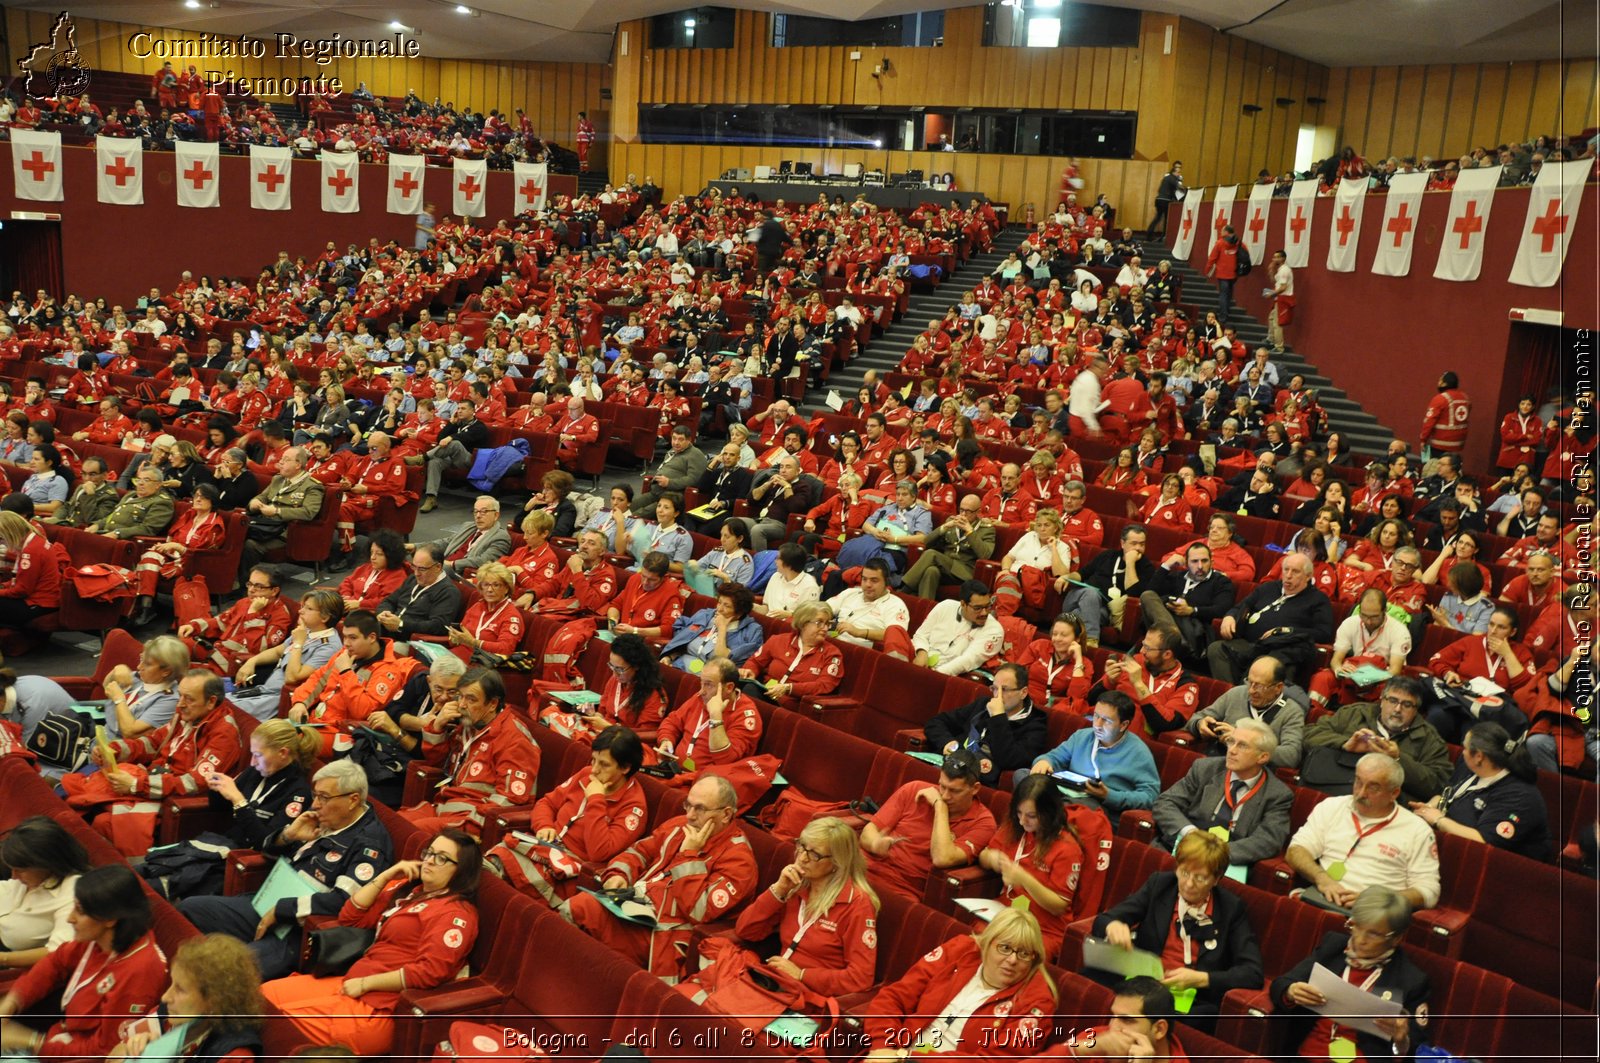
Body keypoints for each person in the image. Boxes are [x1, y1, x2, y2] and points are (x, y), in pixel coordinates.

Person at [263, 829, 481, 1057]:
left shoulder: (456, 914)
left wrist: (366, 984)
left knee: (272, 1024)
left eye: (441, 858)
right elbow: (350, 916)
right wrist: (387, 876)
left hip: (380, 1006)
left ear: (461, 871)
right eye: (429, 853)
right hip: (353, 981)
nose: (429, 861)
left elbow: (430, 972)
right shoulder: (412, 891)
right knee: (263, 996)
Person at [179, 760, 395, 980]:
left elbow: (344, 902)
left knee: (227, 975)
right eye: (315, 795)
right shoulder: (323, 819)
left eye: (324, 797)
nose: (316, 804)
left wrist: (283, 909)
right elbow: (265, 848)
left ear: (353, 800)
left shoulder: (369, 845)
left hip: (296, 931)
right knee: (189, 910)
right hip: (266, 902)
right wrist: (288, 836)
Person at [563, 774, 758, 981]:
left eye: (699, 809)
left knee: (586, 930)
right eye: (688, 805)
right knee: (574, 909)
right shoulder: (679, 824)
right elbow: (640, 851)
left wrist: (688, 856)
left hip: (663, 934)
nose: (690, 815)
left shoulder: (740, 861)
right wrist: (618, 874)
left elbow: (700, 912)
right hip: (632, 906)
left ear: (726, 815)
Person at [61, 669, 246, 857]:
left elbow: (194, 783)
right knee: (77, 791)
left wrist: (135, 786)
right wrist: (115, 750)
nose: (180, 704)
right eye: (180, 695)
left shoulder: (224, 734)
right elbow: (152, 743)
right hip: (151, 782)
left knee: (101, 819)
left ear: (211, 702)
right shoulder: (187, 714)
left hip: (172, 798)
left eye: (188, 698)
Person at [695, 817, 880, 999]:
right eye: (801, 846)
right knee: (696, 994)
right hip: (776, 983)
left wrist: (802, 974)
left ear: (837, 863)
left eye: (814, 854)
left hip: (809, 996)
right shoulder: (797, 884)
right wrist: (778, 890)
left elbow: (860, 979)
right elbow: (746, 930)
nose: (802, 858)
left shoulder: (857, 904)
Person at [140, 719, 320, 902]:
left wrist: (239, 801)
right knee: (143, 870)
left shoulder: (298, 793)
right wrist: (216, 786)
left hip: (237, 862)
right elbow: (218, 808)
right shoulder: (255, 772)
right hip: (217, 848)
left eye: (258, 755)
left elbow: (265, 843)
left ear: (283, 753)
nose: (252, 762)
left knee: (149, 890)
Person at [1092, 832, 1264, 1022]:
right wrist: (1113, 926)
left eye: (1200, 878)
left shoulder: (1231, 909)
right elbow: (1104, 920)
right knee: (1089, 983)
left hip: (1189, 998)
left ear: (1216, 879)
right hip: (1142, 981)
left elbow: (1252, 973)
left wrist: (1200, 979)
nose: (1189, 884)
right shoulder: (1160, 885)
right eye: (1184, 873)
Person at [0, 865, 166, 1058]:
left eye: (79, 911)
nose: (70, 919)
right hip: (57, 1037)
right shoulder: (101, 938)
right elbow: (56, 962)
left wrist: (31, 1041)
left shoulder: (140, 972)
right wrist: (12, 1001)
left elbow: (105, 1050)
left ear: (109, 919)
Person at [860, 907, 1058, 1060]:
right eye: (1005, 948)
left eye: (1024, 953)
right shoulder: (960, 950)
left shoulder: (1037, 1002)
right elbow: (895, 997)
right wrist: (881, 1047)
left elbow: (993, 1061)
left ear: (1034, 958)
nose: (1013, 960)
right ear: (986, 944)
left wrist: (909, 1058)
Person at [486, 726, 649, 906]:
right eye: (593, 760)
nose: (594, 769)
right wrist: (544, 826)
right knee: (493, 862)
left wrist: (596, 799)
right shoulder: (586, 773)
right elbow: (546, 803)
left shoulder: (634, 807)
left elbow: (599, 852)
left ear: (625, 768)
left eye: (604, 764)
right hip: (544, 847)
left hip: (571, 869)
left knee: (499, 881)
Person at [1270, 887, 1430, 1061]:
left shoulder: (1411, 980)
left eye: (1373, 934)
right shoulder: (1333, 947)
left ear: (1396, 938)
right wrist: (1291, 991)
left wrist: (1401, 1040)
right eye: (1356, 926)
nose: (1360, 939)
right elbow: (1281, 984)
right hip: (1305, 1054)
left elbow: (1415, 1051)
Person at [1284, 752, 1440, 912]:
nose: (1361, 793)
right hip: (1322, 896)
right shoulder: (1332, 807)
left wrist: (1376, 900)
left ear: (1394, 793)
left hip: (1376, 913)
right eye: (1358, 782)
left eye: (1373, 787)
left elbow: (1429, 892)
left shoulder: (1417, 830)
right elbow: (1296, 850)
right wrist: (1321, 878)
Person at [1152, 718, 1294, 865]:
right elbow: (1165, 803)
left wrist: (1215, 852)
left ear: (1262, 757)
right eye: (1231, 742)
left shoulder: (1277, 794)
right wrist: (1190, 833)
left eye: (1243, 746)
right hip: (1182, 846)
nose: (1232, 750)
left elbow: (1268, 841)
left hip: (1227, 861)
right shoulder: (1205, 768)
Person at [861, 750, 997, 901]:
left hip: (903, 890)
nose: (945, 796)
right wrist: (875, 844)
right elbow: (868, 832)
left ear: (975, 788)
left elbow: (942, 858)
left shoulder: (983, 823)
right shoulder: (913, 789)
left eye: (954, 791)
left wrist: (940, 808)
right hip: (864, 870)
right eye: (942, 786)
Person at [106, 934, 265, 1062]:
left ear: (214, 1000)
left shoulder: (233, 1055)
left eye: (180, 990)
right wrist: (132, 1050)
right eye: (172, 984)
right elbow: (113, 1057)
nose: (165, 997)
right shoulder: (171, 1015)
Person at [1409, 721, 1552, 861]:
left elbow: (1483, 842)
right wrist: (1430, 807)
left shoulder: (1519, 796)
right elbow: (1447, 793)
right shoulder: (1470, 766)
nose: (1462, 751)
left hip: (1498, 868)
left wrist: (1438, 819)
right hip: (1452, 847)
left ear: (1479, 756)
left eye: (1465, 747)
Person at [287, 610, 421, 756]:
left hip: (345, 733)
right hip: (317, 722)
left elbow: (363, 712)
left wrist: (345, 672)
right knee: (267, 734)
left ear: (371, 638)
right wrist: (300, 702)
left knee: (284, 744)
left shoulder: (388, 671)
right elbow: (317, 679)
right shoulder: (345, 653)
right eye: (344, 637)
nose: (346, 643)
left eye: (352, 638)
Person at [1302, 675, 1452, 802]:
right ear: (1382, 700)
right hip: (1334, 790)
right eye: (1393, 701)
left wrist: (1398, 759)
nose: (1398, 709)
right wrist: (1344, 744)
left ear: (1416, 709)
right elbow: (1308, 734)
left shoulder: (1430, 738)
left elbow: (1438, 785)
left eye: (1406, 704)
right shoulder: (1355, 713)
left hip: (1384, 806)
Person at [978, 776, 1083, 956]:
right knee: (974, 941)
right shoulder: (1015, 827)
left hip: (1043, 927)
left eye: (1031, 816)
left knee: (1008, 953)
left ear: (1049, 812)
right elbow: (984, 855)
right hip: (1006, 912)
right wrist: (992, 858)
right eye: (1019, 813)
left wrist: (1024, 879)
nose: (1022, 821)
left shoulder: (1067, 848)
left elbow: (1058, 906)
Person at [1026, 691, 1161, 816]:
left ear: (1123, 725)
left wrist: (1108, 795)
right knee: (1023, 776)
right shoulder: (1083, 736)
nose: (1097, 725)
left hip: (1101, 804)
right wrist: (1044, 761)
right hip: (1070, 791)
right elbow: (1054, 757)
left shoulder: (1138, 752)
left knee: (1061, 804)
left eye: (1106, 720)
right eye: (1096, 716)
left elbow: (1150, 796)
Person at [1207, 553, 1334, 684]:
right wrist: (1229, 616)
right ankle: (1233, 693)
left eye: (1295, 571)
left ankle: (1247, 695)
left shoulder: (1318, 599)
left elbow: (1323, 633)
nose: (1288, 575)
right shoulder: (1269, 588)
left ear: (1308, 576)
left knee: (1266, 665)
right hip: (1250, 644)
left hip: (1279, 650)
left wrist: (1287, 630)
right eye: (1286, 569)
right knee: (1217, 649)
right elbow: (1241, 606)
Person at [923, 663, 1049, 787]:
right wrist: (947, 742)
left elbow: (1008, 760)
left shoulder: (1035, 725)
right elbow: (936, 722)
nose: (997, 695)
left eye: (1004, 689)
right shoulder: (982, 705)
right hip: (954, 765)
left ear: (1023, 692)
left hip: (980, 781)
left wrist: (998, 717)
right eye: (994, 688)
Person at [229, 590, 344, 721]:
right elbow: (278, 651)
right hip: (264, 689)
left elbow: (292, 678)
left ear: (325, 617)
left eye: (309, 608)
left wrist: (298, 644)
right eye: (303, 606)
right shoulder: (307, 630)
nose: (301, 611)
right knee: (214, 696)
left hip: (278, 700)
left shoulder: (329, 646)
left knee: (223, 710)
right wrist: (252, 661)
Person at [0, 817, 90, 971]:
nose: (14, 876)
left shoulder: (72, 891)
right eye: (12, 869)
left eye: (20, 870)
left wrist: (3, 959)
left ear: (48, 863)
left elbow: (59, 952)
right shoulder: (24, 882)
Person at [1186, 655, 1307, 768]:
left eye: (1259, 686)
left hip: (1255, 774)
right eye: (1249, 682)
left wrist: (1246, 742)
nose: (1251, 691)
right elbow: (1195, 718)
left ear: (1278, 688)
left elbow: (1291, 755)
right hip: (1217, 761)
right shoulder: (1236, 694)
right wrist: (1199, 724)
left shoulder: (1292, 712)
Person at [1308, 587, 1413, 712]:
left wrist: (1371, 677)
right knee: (1322, 678)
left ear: (1384, 611)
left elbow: (1395, 670)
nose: (1368, 621)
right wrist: (1339, 670)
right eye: (1364, 615)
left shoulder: (1399, 630)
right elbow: (1336, 660)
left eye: (1374, 617)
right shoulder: (1349, 623)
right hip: (1352, 674)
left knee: (1391, 690)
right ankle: (1313, 714)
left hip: (1382, 679)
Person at [179, 563, 294, 677]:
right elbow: (221, 621)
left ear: (274, 591)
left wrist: (253, 614)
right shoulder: (245, 602)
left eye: (259, 586)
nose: (251, 590)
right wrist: (194, 626)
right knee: (179, 647)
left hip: (234, 665)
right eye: (250, 584)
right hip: (218, 652)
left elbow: (256, 649)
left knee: (177, 671)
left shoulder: (281, 617)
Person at [655, 657, 763, 767]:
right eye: (701, 683)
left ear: (729, 687)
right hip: (674, 768)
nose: (701, 691)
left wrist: (716, 716)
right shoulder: (701, 697)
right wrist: (666, 740)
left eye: (708, 684)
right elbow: (673, 721)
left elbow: (726, 759)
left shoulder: (746, 715)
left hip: (706, 779)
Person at [240, 446, 325, 580]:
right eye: (281, 459)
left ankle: (246, 583)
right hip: (264, 525)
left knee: (250, 545)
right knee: (235, 533)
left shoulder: (312, 485)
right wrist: (254, 502)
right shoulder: (278, 479)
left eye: (286, 460)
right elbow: (262, 496)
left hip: (284, 532)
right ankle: (228, 580)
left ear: (298, 464)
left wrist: (277, 511)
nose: (280, 463)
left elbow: (309, 512)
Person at [738, 601, 843, 703]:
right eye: (819, 623)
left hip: (794, 702)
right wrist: (749, 671)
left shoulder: (832, 654)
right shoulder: (779, 640)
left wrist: (789, 688)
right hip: (765, 692)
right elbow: (755, 661)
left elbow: (825, 685)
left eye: (827, 623)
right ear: (803, 623)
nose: (825, 628)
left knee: (748, 694)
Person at [900, 495, 996, 600]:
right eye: (961, 510)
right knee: (931, 571)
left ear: (978, 512)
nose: (963, 514)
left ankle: (904, 589)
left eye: (968, 511)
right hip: (945, 567)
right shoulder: (951, 521)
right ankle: (926, 608)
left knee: (931, 554)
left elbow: (985, 554)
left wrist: (970, 531)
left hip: (964, 571)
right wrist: (944, 527)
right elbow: (926, 542)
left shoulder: (987, 529)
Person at [660, 583, 765, 671]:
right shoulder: (706, 615)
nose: (719, 609)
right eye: (719, 602)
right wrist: (669, 657)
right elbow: (682, 639)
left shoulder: (752, 631)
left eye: (726, 606)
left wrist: (722, 628)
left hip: (709, 677)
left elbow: (723, 661)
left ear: (739, 613)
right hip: (679, 664)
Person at [911, 580, 1006, 678]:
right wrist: (921, 652)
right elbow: (921, 634)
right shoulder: (945, 606)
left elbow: (968, 660)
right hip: (919, 658)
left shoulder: (994, 630)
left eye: (988, 606)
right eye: (978, 608)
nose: (984, 613)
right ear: (963, 604)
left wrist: (935, 675)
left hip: (945, 674)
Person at [376, 544, 463, 640]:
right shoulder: (412, 579)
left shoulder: (448, 592)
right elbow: (389, 601)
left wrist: (401, 624)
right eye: (414, 566)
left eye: (422, 569)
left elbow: (438, 626)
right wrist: (383, 613)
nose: (416, 573)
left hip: (410, 639)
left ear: (438, 567)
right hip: (386, 630)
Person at [826, 558, 911, 649]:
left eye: (874, 580)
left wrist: (859, 632)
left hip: (860, 651)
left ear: (886, 582)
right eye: (864, 579)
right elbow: (824, 608)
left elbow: (896, 635)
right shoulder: (850, 592)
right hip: (831, 643)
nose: (868, 584)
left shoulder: (895, 604)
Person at [0, 510, 59, 628]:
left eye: (2, 537)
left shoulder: (31, 551)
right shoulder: (35, 540)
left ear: (10, 533)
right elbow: (20, 582)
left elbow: (22, 590)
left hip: (38, 604)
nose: (3, 542)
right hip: (39, 599)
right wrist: (3, 586)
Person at [437, 496, 513, 578]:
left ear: (496, 515)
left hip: (458, 572)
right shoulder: (468, 526)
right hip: (444, 562)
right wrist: (423, 547)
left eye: (484, 511)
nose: (478, 516)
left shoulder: (501, 537)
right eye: (476, 511)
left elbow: (484, 560)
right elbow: (447, 542)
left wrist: (452, 564)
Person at [1419, 371, 1471, 457]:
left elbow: (1429, 422)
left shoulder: (1440, 399)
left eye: (1440, 380)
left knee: (1434, 468)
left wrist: (1423, 439)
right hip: (1458, 446)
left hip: (1440, 445)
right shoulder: (1465, 399)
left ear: (1444, 384)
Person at [1205, 224, 1241, 323]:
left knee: (1223, 294)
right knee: (1229, 294)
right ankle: (1227, 312)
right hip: (1234, 273)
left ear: (1226, 232)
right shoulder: (1238, 243)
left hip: (1222, 273)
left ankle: (1223, 316)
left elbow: (1212, 257)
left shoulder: (1220, 243)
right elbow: (1244, 253)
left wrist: (1207, 270)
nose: (1221, 232)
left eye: (1222, 231)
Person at [1264, 248, 1294, 353]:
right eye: (1273, 257)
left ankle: (1279, 347)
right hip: (1278, 298)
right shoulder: (1280, 270)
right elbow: (1275, 283)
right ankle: (1271, 339)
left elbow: (1283, 287)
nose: (1274, 259)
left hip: (1283, 299)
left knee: (1278, 323)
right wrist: (1271, 272)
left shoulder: (1285, 270)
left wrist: (1271, 294)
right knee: (1271, 318)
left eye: (1277, 257)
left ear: (1283, 258)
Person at [1148, 161, 1184, 237]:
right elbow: (1180, 188)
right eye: (1178, 173)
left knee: (1158, 217)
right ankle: (1164, 235)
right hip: (1166, 200)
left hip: (1158, 199)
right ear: (1174, 172)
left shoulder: (1166, 177)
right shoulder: (1173, 178)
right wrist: (1184, 186)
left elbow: (1159, 189)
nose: (1179, 174)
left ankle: (1149, 234)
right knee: (1167, 219)